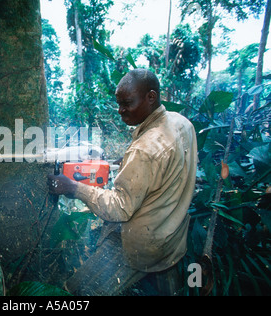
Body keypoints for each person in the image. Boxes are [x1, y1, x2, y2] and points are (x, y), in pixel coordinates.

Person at [48, 69, 198, 295]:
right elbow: (166, 165)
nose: (120, 111)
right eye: (119, 103)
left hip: (140, 246)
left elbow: (119, 209)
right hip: (172, 238)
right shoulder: (181, 123)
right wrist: (128, 162)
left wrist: (74, 187)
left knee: (75, 292)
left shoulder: (145, 150)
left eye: (127, 103)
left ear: (151, 97)